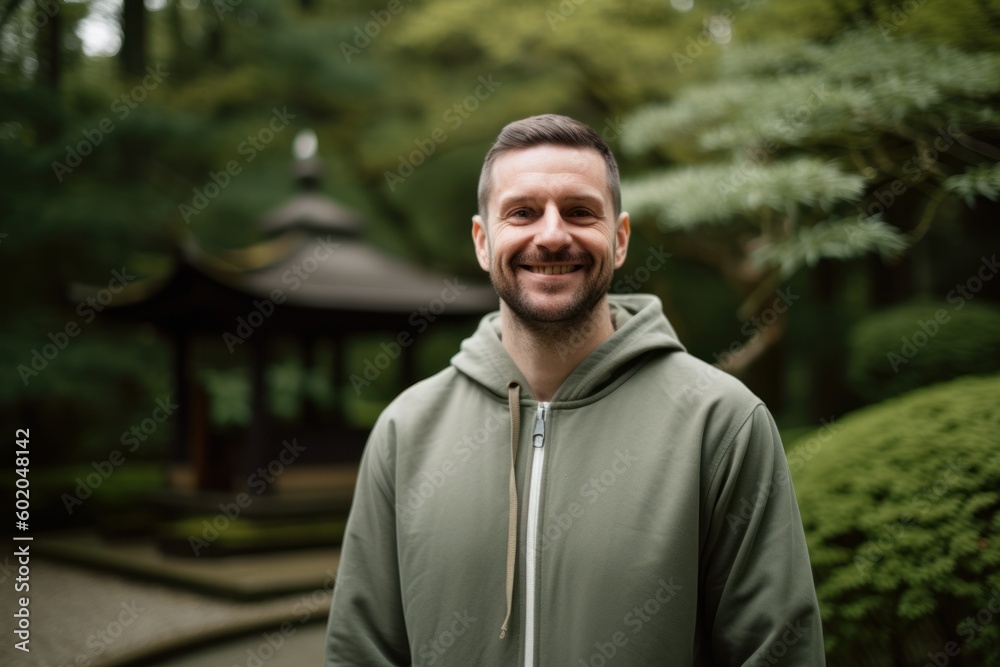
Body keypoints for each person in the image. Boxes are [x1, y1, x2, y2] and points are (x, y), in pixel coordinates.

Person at [325, 114, 825, 666]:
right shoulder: (406, 431)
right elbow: (361, 652)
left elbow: (776, 651)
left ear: (620, 238)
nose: (553, 234)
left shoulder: (720, 423)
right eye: (522, 212)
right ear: (482, 241)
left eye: (580, 211)